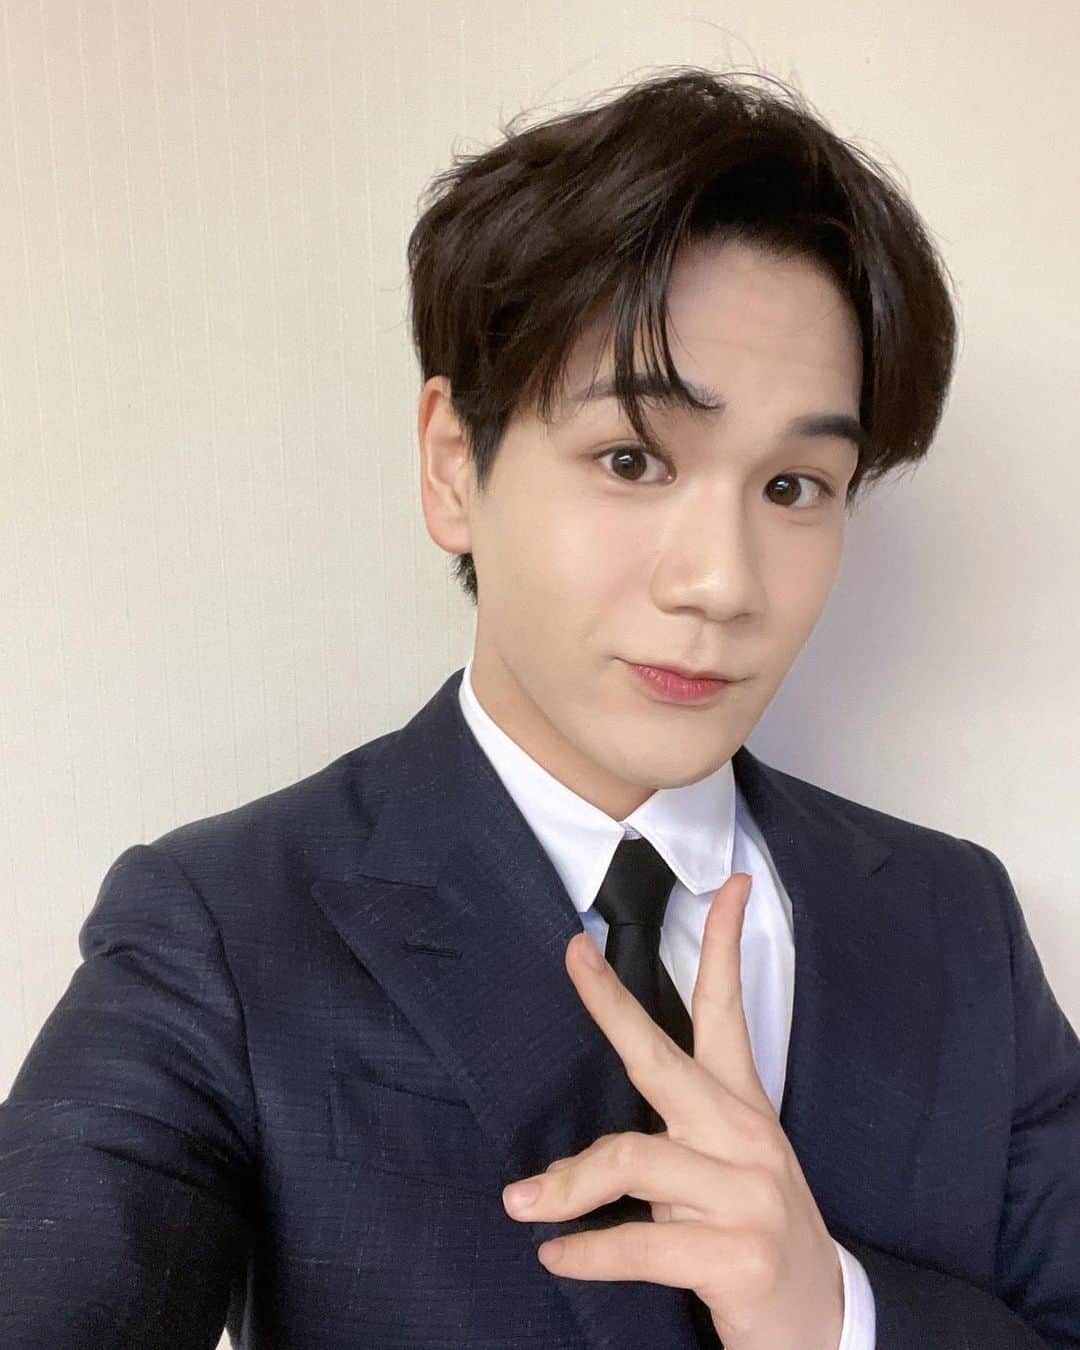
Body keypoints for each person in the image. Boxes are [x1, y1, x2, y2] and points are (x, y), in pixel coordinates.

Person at [1, 66, 1076, 1350]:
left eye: (795, 487)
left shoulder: (954, 923)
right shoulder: (226, 928)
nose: (723, 584)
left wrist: (835, 1313)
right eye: (632, 458)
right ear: (455, 466)